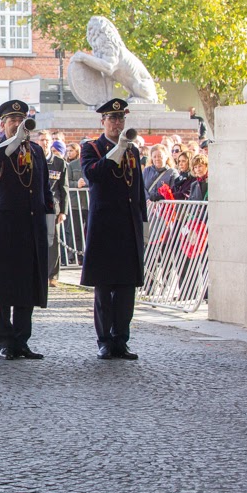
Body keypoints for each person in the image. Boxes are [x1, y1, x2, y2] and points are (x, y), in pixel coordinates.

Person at [0, 101, 53, 360]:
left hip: (31, 224)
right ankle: (5, 341)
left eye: (21, 119)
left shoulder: (35, 150)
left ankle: (22, 339)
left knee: (27, 284)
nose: (18, 123)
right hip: (6, 226)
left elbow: (44, 187)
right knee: (4, 285)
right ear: (2, 124)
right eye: (12, 119)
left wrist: (49, 219)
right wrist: (14, 140)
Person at [80, 98, 146, 360]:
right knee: (104, 288)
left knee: (127, 288)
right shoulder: (92, 148)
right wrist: (116, 150)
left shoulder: (133, 151)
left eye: (121, 119)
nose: (117, 124)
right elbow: (94, 175)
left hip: (127, 225)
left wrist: (143, 221)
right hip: (104, 227)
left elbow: (137, 188)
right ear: (103, 122)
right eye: (113, 119)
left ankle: (121, 339)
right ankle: (105, 340)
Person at [39, 132, 69, 287]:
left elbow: (63, 188)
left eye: (47, 140)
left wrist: (63, 211)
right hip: (37, 207)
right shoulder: (34, 160)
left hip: (53, 208)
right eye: (42, 140)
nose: (44, 143)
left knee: (52, 242)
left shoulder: (58, 162)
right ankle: (38, 273)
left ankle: (52, 275)